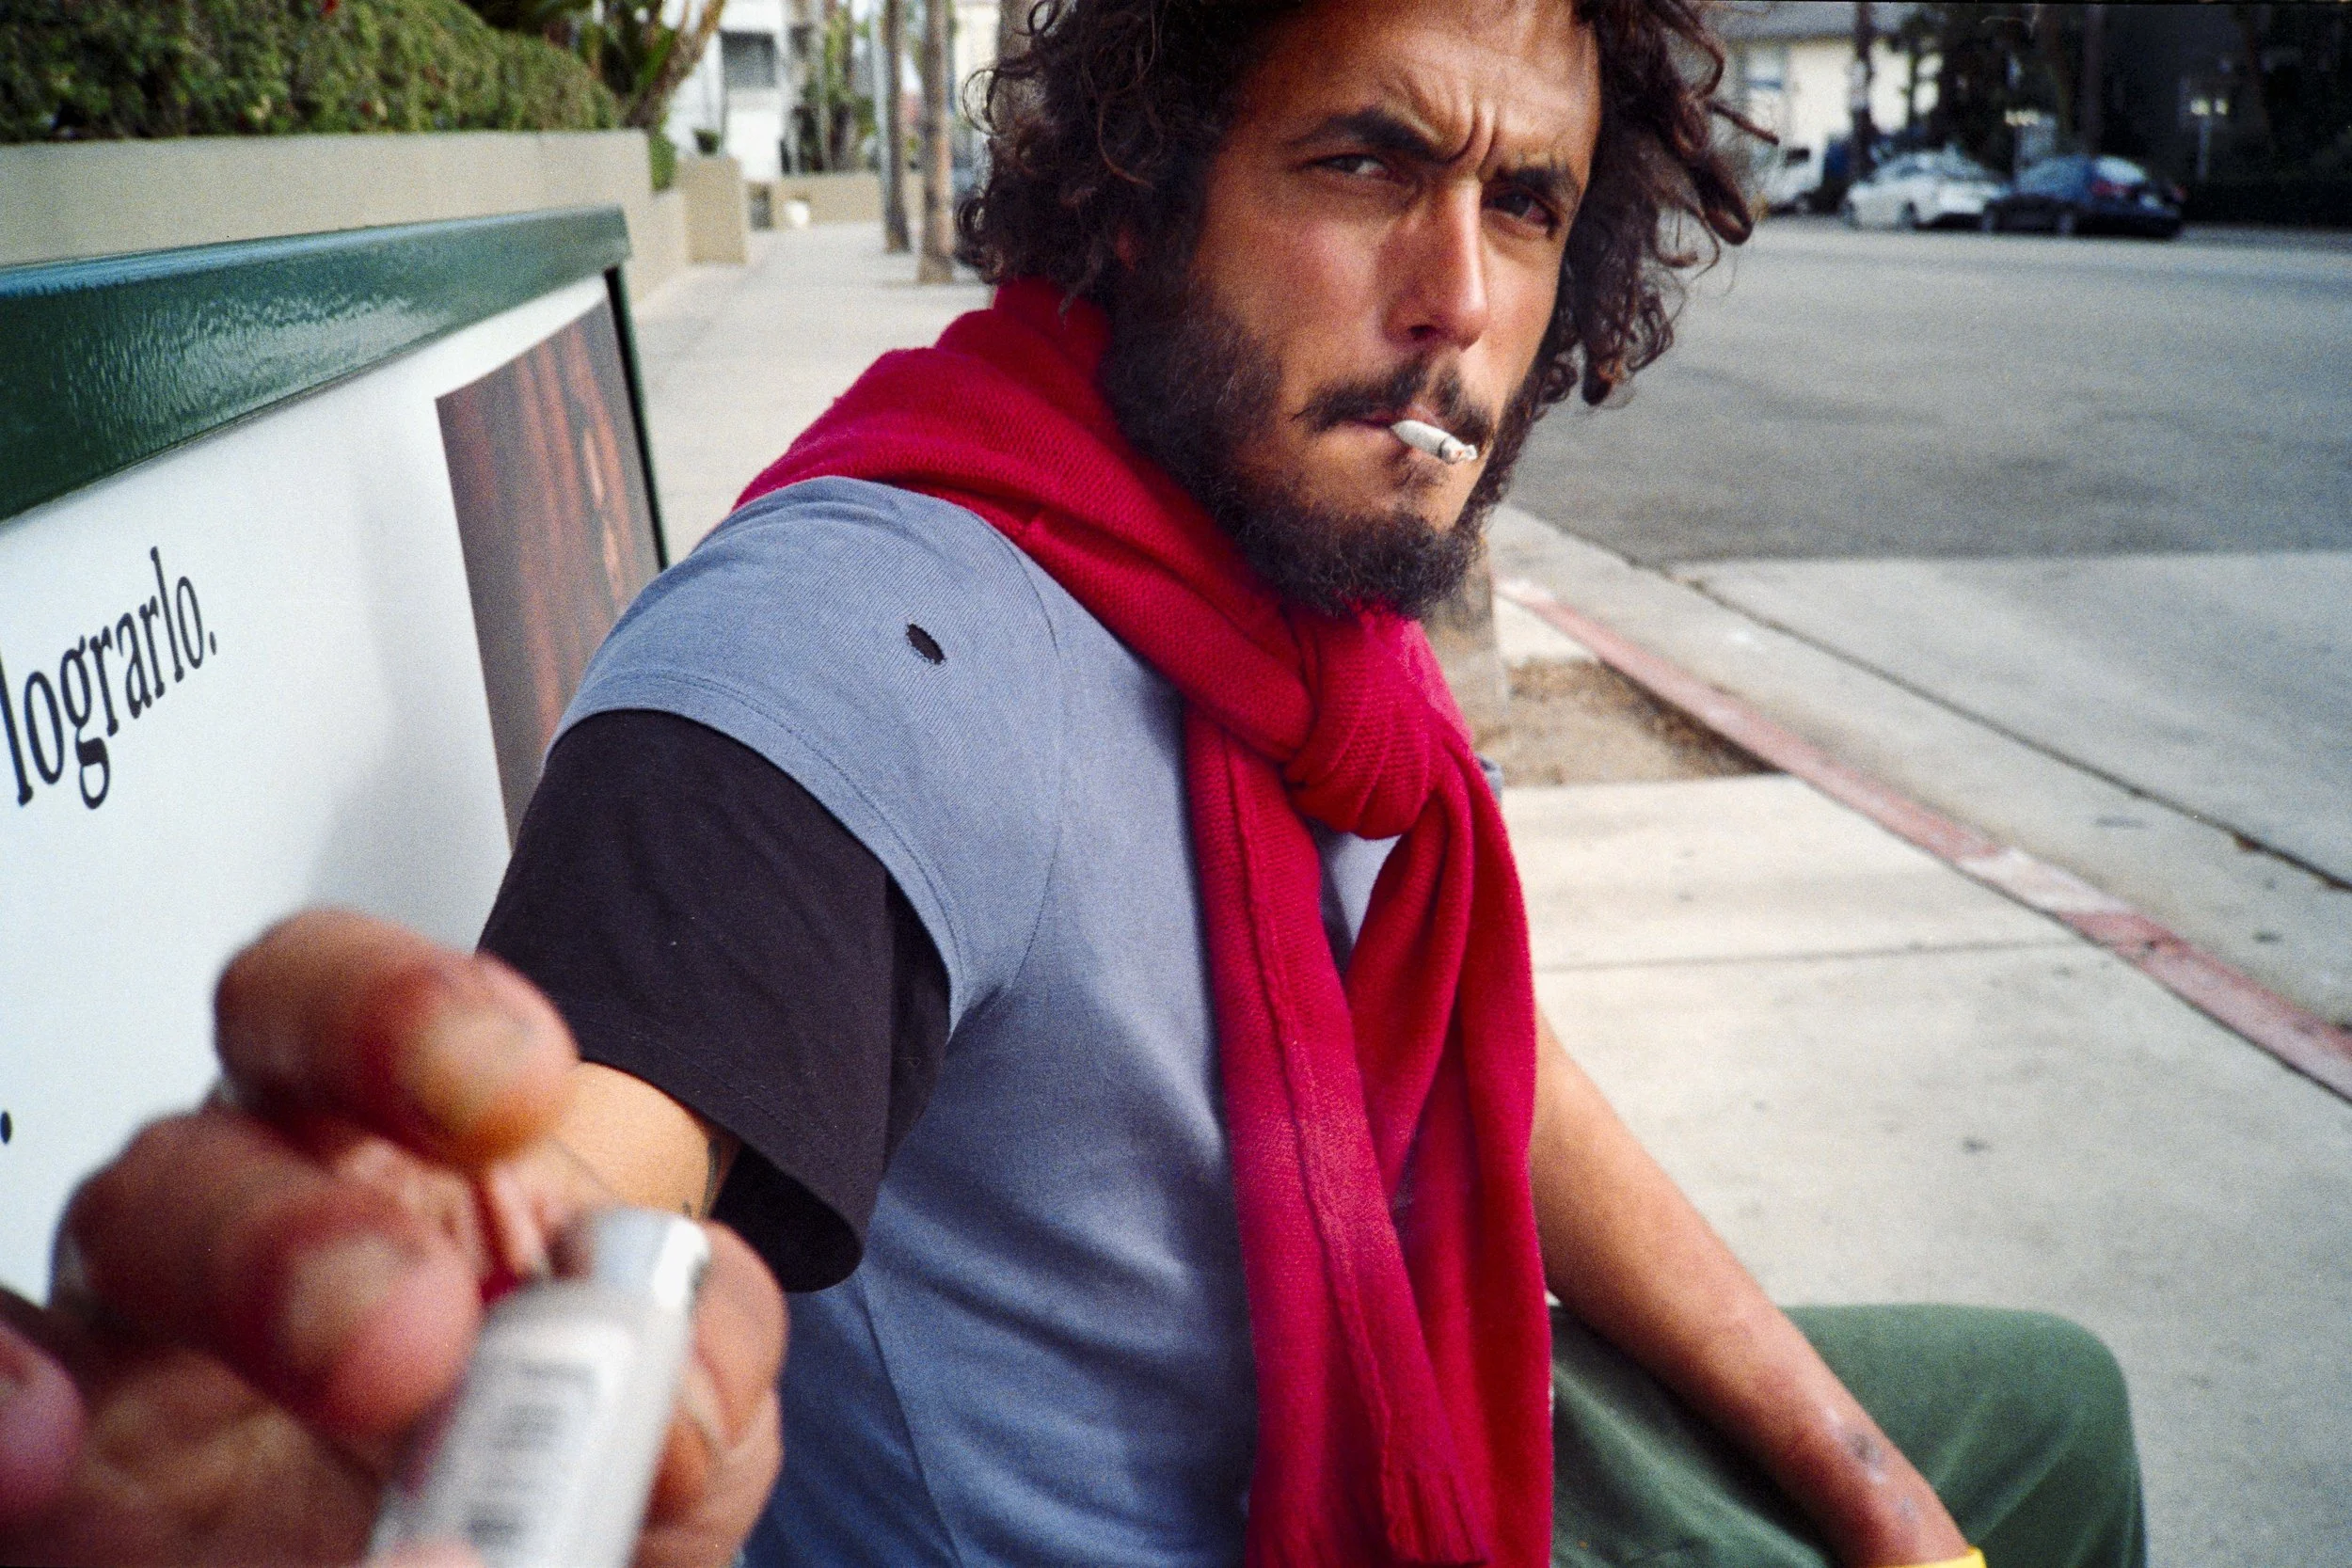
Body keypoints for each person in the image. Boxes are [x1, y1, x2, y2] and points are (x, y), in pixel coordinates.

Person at [0, 0, 2146, 1564]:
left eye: (1524, 201)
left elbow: (1476, 1049)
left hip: (1390, 1371)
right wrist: (387, 1397)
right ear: (1142, 184)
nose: (1457, 303)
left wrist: (1864, 1484)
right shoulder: (866, 634)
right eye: (1364, 161)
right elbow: (573, 1161)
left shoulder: (1270, 581)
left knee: (2028, 1409)